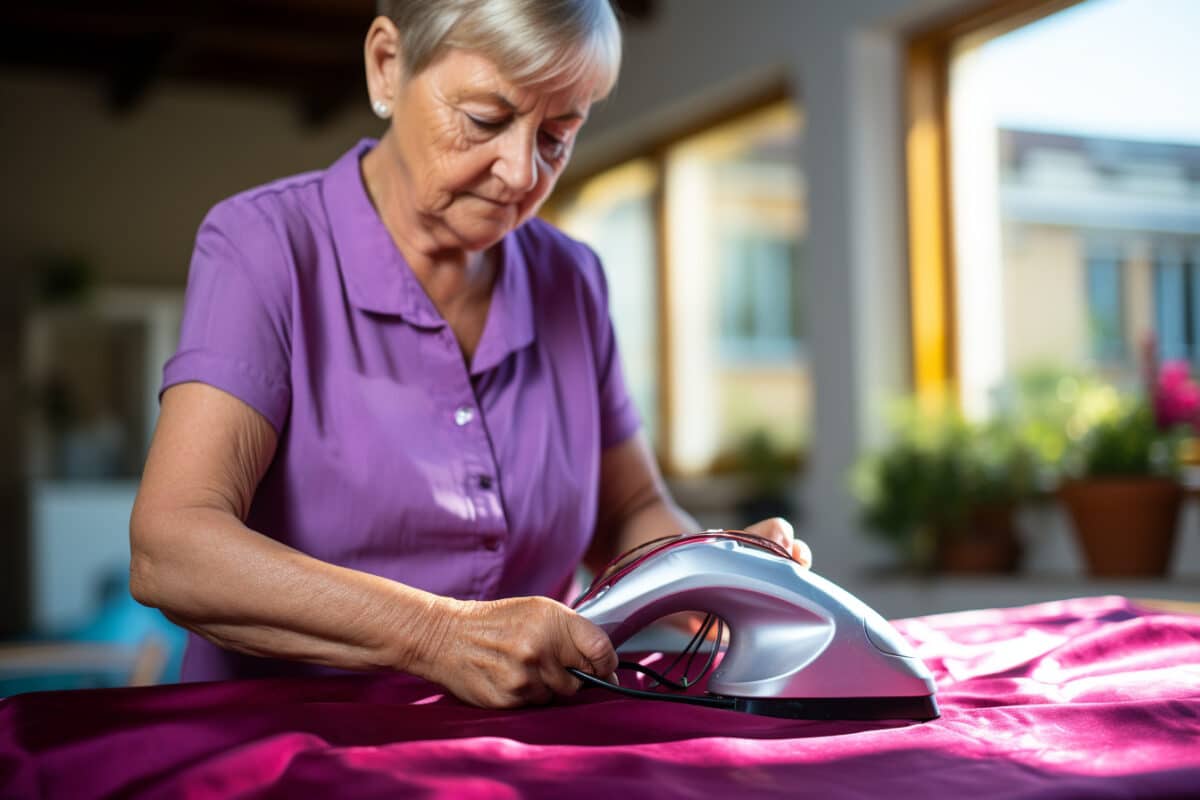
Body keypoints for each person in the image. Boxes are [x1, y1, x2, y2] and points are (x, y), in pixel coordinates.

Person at [130, 0, 811, 709]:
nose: (521, 174)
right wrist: (438, 635)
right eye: (486, 119)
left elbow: (628, 511)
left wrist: (712, 576)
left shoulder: (571, 278)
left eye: (558, 134)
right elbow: (171, 548)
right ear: (388, 66)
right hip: (284, 745)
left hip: (528, 747)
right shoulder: (264, 246)